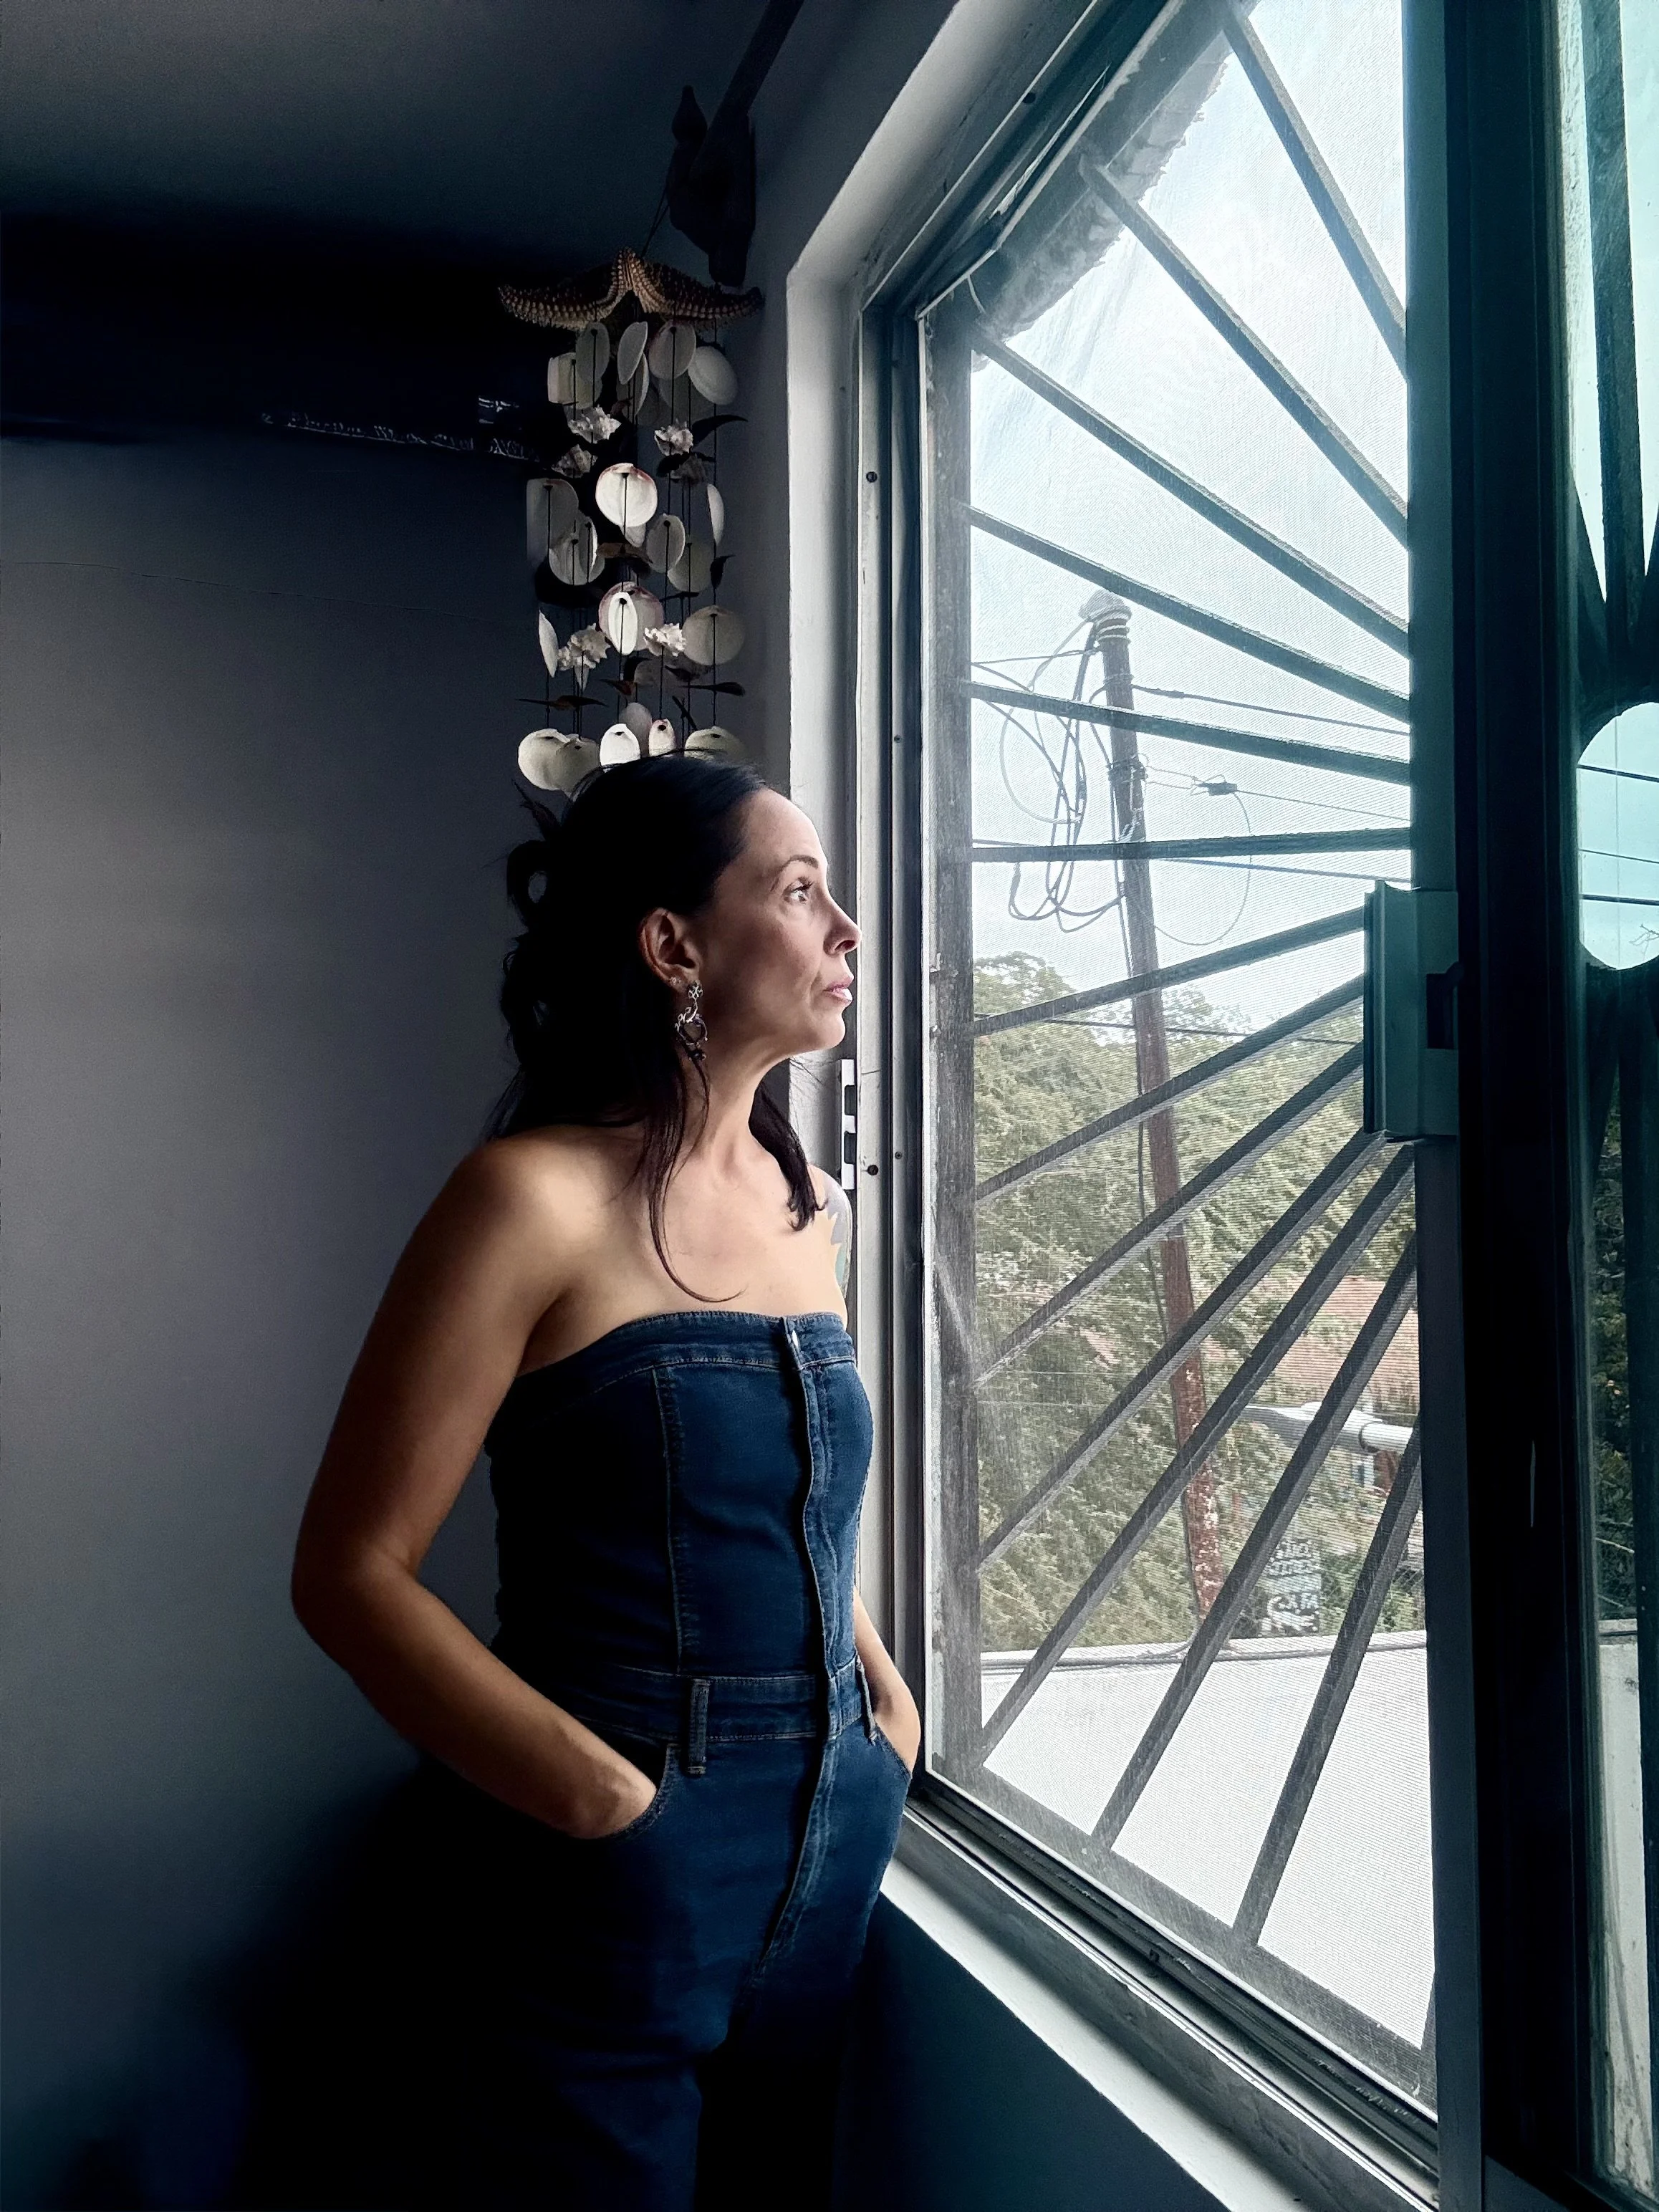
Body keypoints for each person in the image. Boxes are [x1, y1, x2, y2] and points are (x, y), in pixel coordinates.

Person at [291, 754, 919, 2211]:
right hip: (615, 1851)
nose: (848, 931)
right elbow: (348, 1570)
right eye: (801, 889)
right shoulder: (528, 1198)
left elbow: (800, 1498)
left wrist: (883, 1700)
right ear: (673, 944)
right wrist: (596, 1797)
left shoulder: (798, 1197)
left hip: (833, 1835)